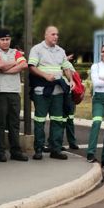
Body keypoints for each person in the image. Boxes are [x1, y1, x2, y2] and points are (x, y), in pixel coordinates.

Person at [27, 26, 75, 161]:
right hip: (42, 91)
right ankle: (38, 149)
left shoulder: (61, 51)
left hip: (58, 92)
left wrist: (70, 80)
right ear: (46, 35)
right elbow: (31, 67)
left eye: (57, 35)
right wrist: (45, 75)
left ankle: (56, 149)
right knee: (40, 121)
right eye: (53, 34)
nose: (56, 37)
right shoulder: (37, 49)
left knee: (57, 121)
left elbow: (66, 67)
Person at [0, 29, 29, 162]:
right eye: (3, 40)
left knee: (14, 123)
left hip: (14, 91)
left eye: (7, 39)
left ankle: (15, 151)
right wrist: (15, 64)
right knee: (0, 123)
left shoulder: (15, 52)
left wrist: (6, 68)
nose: (5, 42)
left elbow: (25, 64)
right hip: (0, 92)